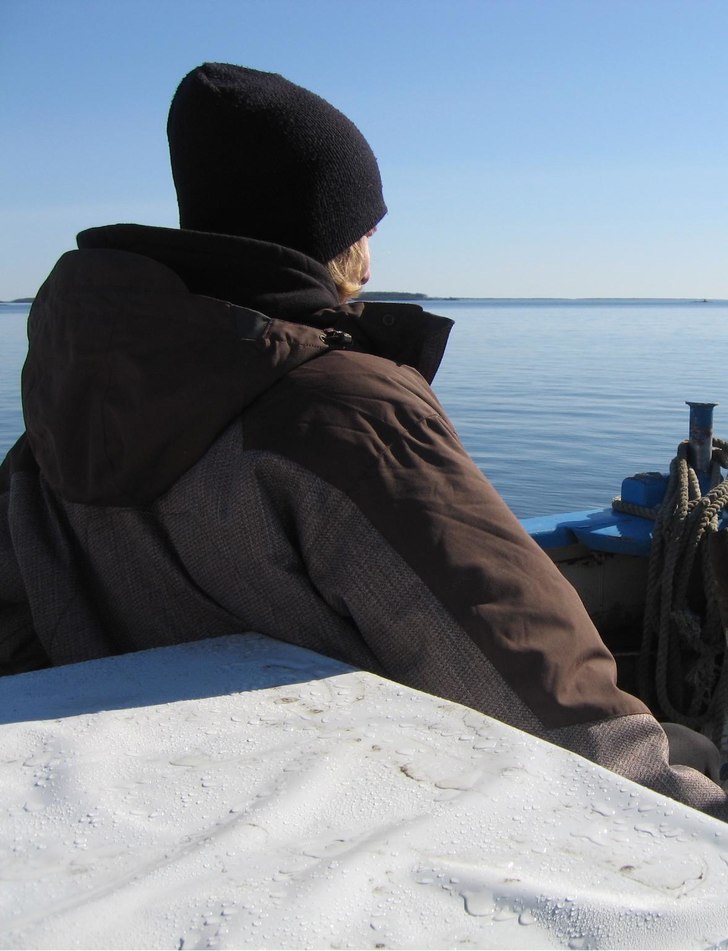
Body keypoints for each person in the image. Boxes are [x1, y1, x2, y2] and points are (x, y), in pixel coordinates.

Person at [1, 62, 726, 820]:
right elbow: (535, 686)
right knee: (694, 751)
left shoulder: (73, 401)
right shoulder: (351, 417)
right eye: (365, 220)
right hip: (361, 810)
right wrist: (693, 821)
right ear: (329, 233)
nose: (375, 240)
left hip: (157, 806)